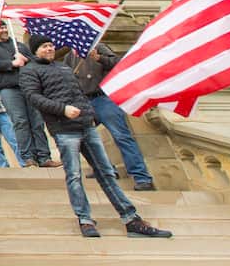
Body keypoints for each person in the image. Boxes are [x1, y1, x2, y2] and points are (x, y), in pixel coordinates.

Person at [20, 34, 172, 239]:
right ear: (35, 50)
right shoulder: (29, 71)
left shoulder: (63, 67)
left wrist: (89, 115)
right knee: (74, 176)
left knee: (106, 173)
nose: (49, 49)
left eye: (50, 45)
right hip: (64, 130)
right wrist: (62, 109)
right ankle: (85, 219)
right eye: (44, 46)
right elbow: (34, 98)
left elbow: (79, 94)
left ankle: (131, 219)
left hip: (86, 126)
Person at [64, 43, 156, 190]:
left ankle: (142, 177)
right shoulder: (69, 57)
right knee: (86, 138)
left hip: (103, 99)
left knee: (121, 136)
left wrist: (99, 58)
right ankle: (106, 169)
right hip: (84, 102)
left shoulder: (98, 47)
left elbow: (120, 63)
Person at [0, 21, 60, 168]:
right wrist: (11, 63)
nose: (3, 30)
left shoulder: (18, 45)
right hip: (8, 88)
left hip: (28, 87)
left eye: (4, 27)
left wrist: (26, 59)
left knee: (37, 121)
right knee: (20, 121)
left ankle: (44, 156)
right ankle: (28, 157)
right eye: (0, 28)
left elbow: (34, 60)